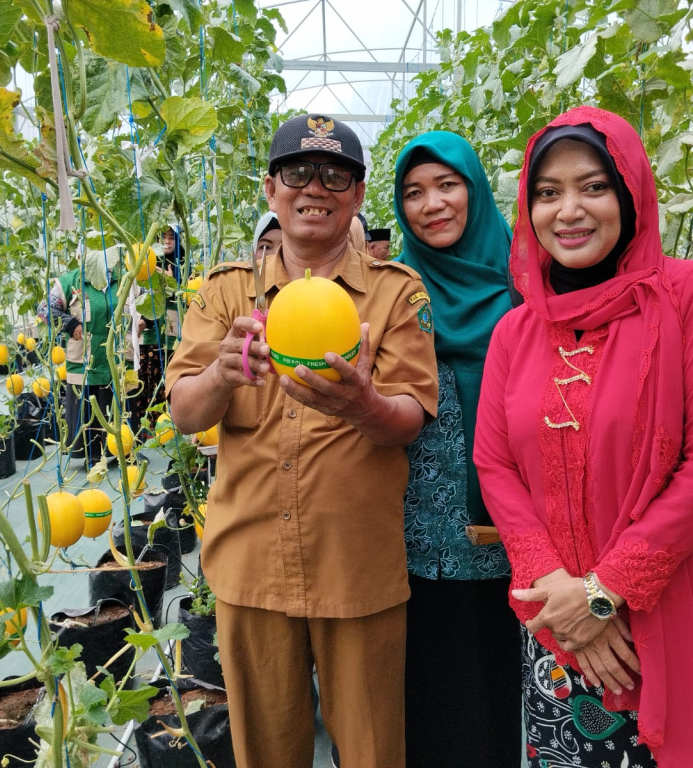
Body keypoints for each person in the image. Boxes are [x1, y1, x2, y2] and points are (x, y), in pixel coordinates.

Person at [473, 106, 693, 768]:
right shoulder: (516, 333)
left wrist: (604, 592)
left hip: (674, 607)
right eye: (547, 193)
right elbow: (494, 465)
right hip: (555, 622)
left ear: (631, 191)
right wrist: (560, 595)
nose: (568, 210)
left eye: (593, 186)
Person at [165, 113, 439, 768]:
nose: (315, 187)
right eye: (297, 172)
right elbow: (182, 410)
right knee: (266, 754)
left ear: (357, 194)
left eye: (335, 174)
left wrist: (365, 406)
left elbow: (412, 415)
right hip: (250, 569)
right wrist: (222, 375)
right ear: (270, 189)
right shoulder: (225, 292)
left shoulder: (399, 294)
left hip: (357, 571)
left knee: (374, 752)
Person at [392, 132, 523, 766]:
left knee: (498, 701)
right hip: (411, 540)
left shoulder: (528, 287)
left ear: (474, 189)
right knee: (425, 698)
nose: (432, 204)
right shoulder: (394, 296)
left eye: (447, 185)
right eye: (413, 192)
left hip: (517, 538)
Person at [38, 249, 123, 464]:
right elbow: (44, 309)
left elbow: (144, 301)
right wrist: (70, 324)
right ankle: (92, 454)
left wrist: (144, 322)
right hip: (84, 359)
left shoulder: (122, 279)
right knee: (88, 404)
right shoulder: (70, 282)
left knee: (115, 404)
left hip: (115, 358)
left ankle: (120, 450)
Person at [129, 227, 185, 436]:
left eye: (172, 238)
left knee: (168, 378)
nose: (167, 242)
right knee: (147, 378)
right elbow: (142, 298)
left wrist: (172, 282)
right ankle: (147, 427)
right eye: (163, 238)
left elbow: (185, 295)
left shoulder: (182, 265)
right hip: (151, 333)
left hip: (172, 334)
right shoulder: (148, 265)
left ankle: (168, 424)